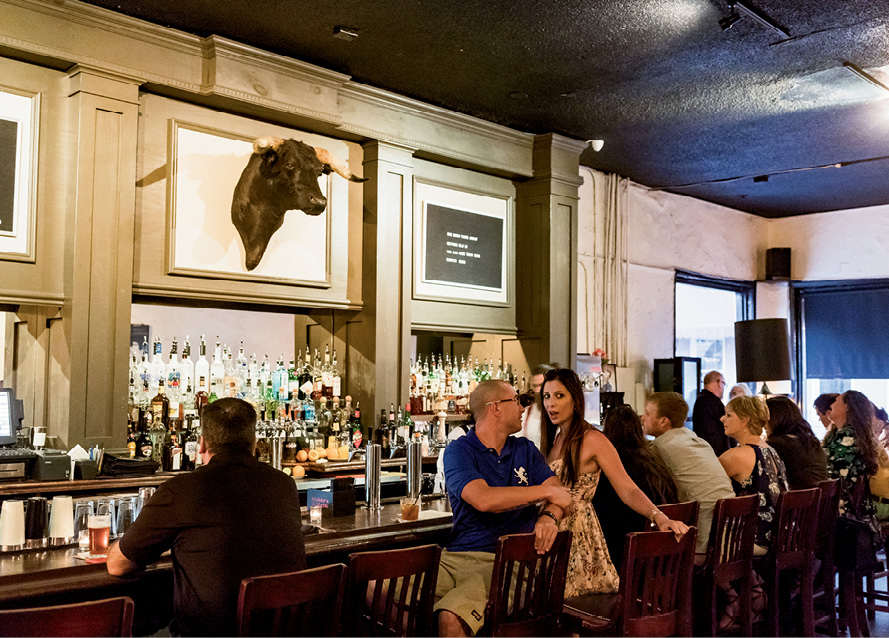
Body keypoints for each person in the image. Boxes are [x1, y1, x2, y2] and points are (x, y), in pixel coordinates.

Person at [106, 398, 306, 636]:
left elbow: (118, 564)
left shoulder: (182, 489)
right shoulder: (284, 485)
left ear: (201, 445)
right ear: (254, 444)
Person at [436, 379, 572, 637]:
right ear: (495, 407)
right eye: (517, 400)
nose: (523, 407)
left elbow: (561, 496)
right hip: (454, 557)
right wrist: (545, 492)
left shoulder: (525, 450)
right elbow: (484, 499)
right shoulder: (460, 450)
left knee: (451, 616)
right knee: (373, 587)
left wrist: (548, 517)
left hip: (504, 563)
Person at [540, 369, 688, 597]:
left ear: (576, 399)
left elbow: (627, 488)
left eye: (560, 396)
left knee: (569, 603)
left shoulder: (593, 439)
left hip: (579, 532)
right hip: (551, 528)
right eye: (547, 396)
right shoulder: (554, 438)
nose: (551, 404)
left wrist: (659, 516)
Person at [643, 391, 735, 563]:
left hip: (704, 541)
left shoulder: (660, 448)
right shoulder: (697, 440)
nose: (642, 418)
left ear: (663, 421)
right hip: (733, 536)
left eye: (647, 413)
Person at [593, 404, 679, 562]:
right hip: (663, 551)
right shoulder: (653, 458)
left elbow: (603, 512)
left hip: (631, 553)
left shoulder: (613, 464)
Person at [718, 396, 789, 555]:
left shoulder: (736, 456)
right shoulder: (770, 450)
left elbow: (705, 485)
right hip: (780, 535)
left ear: (745, 421)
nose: (722, 419)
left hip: (754, 538)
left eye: (729, 415)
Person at [824, 390, 880, 514]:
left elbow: (833, 476)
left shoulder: (847, 437)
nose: (831, 406)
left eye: (836, 401)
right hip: (850, 510)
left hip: (839, 511)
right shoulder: (851, 435)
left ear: (847, 407)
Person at [765, 396, 828, 490]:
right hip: (818, 501)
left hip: (798, 502)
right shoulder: (810, 441)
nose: (763, 423)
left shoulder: (777, 444)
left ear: (774, 418)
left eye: (765, 417)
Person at [693, 370, 734, 456]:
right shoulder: (712, 402)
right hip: (716, 452)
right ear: (719, 382)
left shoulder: (700, 400)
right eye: (724, 384)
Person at [518, 363, 556, 449]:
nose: (538, 390)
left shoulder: (565, 414)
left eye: (541, 385)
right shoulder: (525, 414)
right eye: (535, 386)